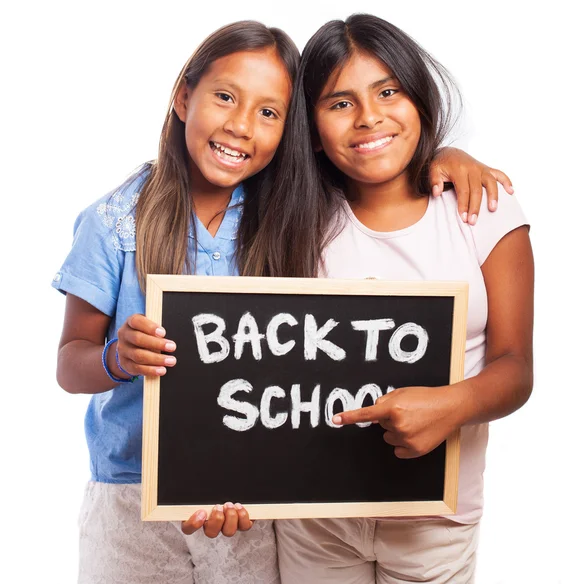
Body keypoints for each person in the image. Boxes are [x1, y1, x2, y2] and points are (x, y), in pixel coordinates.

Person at [54, 18, 514, 584]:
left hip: (249, 497)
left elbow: (373, 162)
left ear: (291, 130)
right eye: (225, 97)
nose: (241, 125)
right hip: (128, 490)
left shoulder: (291, 213)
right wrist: (116, 359)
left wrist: (447, 155)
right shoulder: (115, 221)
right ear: (182, 96)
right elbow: (69, 363)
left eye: (269, 112)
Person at [250, 14, 534, 584]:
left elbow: (517, 367)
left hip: (434, 519)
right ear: (311, 125)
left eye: (388, 91)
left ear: (419, 97)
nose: (369, 116)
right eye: (339, 103)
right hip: (315, 516)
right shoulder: (295, 222)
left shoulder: (481, 208)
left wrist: (451, 406)